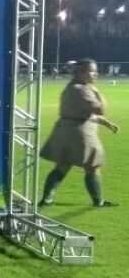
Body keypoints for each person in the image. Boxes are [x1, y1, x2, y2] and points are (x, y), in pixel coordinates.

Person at [39, 58, 119, 208]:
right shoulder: (82, 89)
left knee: (63, 165)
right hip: (81, 132)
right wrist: (97, 92)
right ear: (80, 72)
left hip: (65, 129)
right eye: (92, 71)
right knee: (93, 166)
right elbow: (100, 109)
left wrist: (106, 123)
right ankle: (98, 201)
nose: (95, 74)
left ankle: (47, 199)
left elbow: (83, 112)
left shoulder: (72, 87)